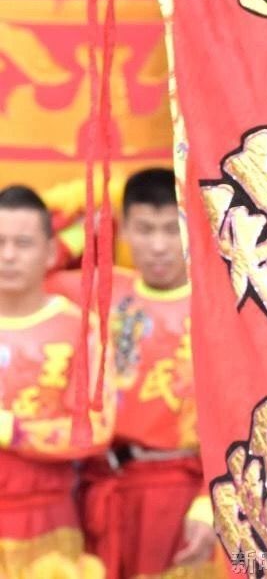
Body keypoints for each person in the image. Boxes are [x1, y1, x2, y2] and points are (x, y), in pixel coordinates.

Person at [73, 169, 222, 579]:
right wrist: (100, 214)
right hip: (102, 486)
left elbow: (237, 413)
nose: (158, 246)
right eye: (144, 229)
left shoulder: (217, 309)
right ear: (122, 230)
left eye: (171, 230)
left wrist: (208, 502)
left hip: (178, 489)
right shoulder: (100, 292)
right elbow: (37, 260)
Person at [0, 185, 109, 578]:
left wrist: (12, 430)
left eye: (23, 243)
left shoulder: (78, 329)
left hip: (45, 520)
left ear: (49, 252)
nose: (8, 255)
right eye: (0, 242)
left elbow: (96, 427)